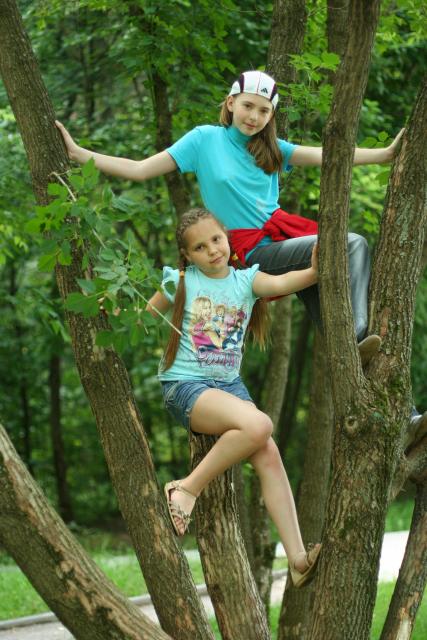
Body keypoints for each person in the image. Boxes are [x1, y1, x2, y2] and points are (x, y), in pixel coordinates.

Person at [55, 69, 425, 430]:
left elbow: (330, 154)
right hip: (248, 254)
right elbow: (139, 169)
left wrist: (385, 155)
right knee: (351, 243)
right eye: (248, 106)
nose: (254, 116)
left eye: (264, 110)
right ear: (231, 103)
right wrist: (77, 153)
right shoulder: (204, 140)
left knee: (331, 315)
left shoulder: (273, 149)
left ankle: (403, 418)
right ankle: (357, 336)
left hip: (284, 244)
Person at [146, 207, 321, 588]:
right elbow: (142, 316)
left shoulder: (246, 281)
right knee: (260, 425)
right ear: (187, 255)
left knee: (268, 452)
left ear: (227, 237)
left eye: (216, 239)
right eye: (200, 247)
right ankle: (186, 488)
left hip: (228, 387)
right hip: (185, 386)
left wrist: (314, 270)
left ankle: (297, 560)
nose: (212, 250)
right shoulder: (181, 281)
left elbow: (284, 282)